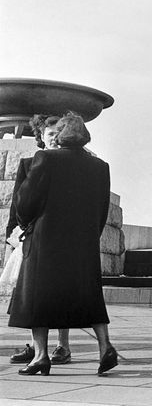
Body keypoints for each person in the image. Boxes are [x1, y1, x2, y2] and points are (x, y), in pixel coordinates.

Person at [8, 112, 118, 376]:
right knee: (89, 297)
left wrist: (26, 225)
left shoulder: (46, 158)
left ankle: (41, 356)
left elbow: (24, 202)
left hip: (46, 241)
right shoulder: (100, 166)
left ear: (62, 135)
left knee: (39, 297)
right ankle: (105, 348)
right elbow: (101, 211)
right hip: (82, 243)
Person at [5, 115, 72, 366]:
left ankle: (62, 346)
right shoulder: (27, 163)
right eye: (49, 133)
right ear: (41, 137)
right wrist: (12, 237)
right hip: (32, 236)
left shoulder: (70, 164)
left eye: (58, 133)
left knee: (62, 291)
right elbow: (17, 202)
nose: (54, 138)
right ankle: (37, 348)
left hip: (61, 237)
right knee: (30, 295)